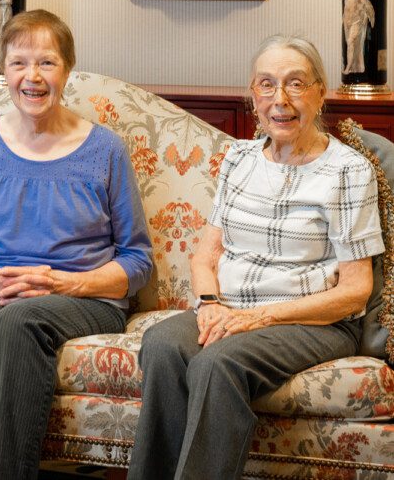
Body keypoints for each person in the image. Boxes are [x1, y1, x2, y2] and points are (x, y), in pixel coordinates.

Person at [0, 9, 153, 480]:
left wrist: (66, 283)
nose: (32, 77)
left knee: (18, 323)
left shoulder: (105, 150)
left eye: (47, 63)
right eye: (19, 63)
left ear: (68, 71)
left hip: (80, 295)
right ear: (4, 72)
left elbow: (137, 260)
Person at [128, 34, 382, 480]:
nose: (279, 99)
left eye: (295, 84)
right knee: (164, 344)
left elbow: (356, 289)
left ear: (320, 93)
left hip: (312, 320)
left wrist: (260, 318)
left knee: (216, 362)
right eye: (266, 84)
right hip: (229, 309)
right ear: (253, 94)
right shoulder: (239, 158)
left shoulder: (347, 170)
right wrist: (210, 305)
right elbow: (205, 254)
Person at [342, 0, 375, 75]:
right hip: (348, 24)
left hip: (357, 22)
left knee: (351, 42)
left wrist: (370, 16)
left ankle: (348, 67)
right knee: (350, 44)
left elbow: (366, 5)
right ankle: (354, 67)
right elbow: (346, 10)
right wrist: (343, 20)